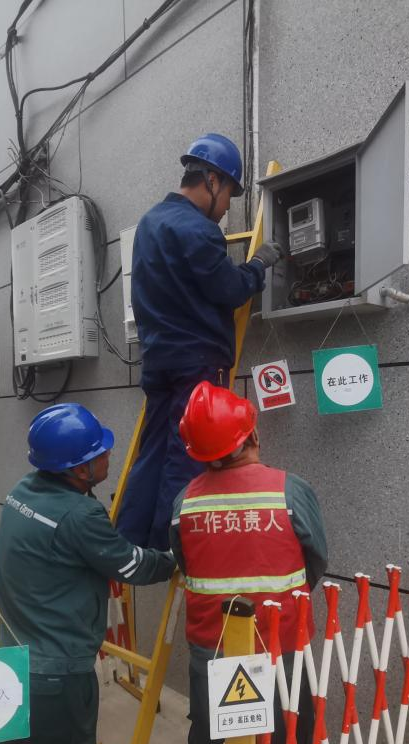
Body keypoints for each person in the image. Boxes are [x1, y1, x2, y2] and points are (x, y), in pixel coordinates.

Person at [0, 403, 176, 744]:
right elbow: (132, 565)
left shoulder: (22, 492)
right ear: (78, 469)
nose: (109, 457)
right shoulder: (80, 516)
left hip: (13, 653)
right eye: (101, 452)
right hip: (56, 673)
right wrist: (176, 558)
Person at [167, 381, 327, 744]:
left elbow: (185, 566)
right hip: (281, 653)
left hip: (213, 657)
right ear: (251, 436)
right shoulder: (290, 490)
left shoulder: (184, 502)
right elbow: (315, 561)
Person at [116, 132, 284, 550]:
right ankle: (173, 544)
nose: (226, 209)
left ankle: (131, 541)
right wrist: (258, 264)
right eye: (228, 195)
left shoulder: (150, 223)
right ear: (212, 180)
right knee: (186, 452)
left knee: (153, 452)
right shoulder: (199, 230)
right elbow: (229, 289)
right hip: (196, 362)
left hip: (158, 361)